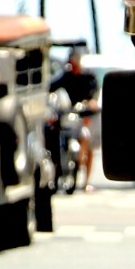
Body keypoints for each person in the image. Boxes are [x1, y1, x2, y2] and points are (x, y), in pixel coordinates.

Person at [49, 51, 100, 190]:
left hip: (86, 116)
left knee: (86, 139)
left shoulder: (88, 76)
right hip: (70, 115)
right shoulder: (66, 77)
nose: (73, 67)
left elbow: (95, 94)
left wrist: (91, 102)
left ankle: (86, 180)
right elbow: (51, 87)